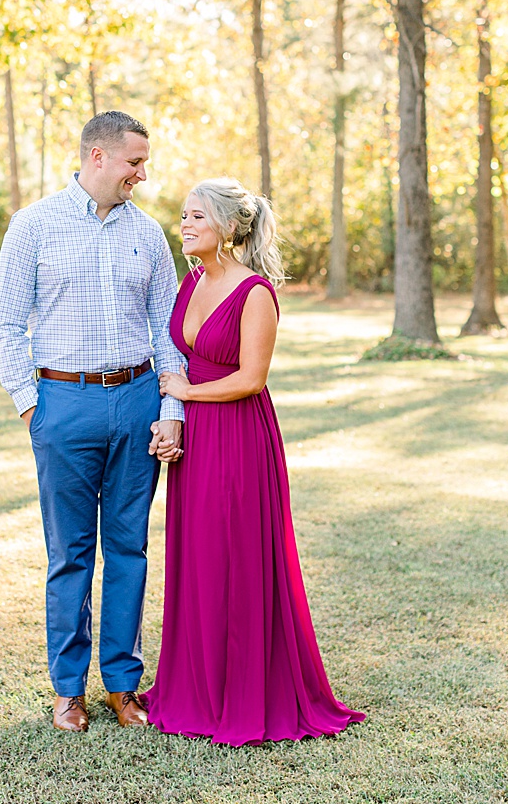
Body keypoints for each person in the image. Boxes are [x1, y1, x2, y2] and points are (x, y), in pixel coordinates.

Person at [147, 179, 365, 745]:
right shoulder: (191, 280)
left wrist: (186, 394)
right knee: (197, 556)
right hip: (195, 445)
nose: (185, 225)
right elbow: (177, 356)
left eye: (196, 217)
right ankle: (196, 683)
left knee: (236, 557)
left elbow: (250, 379)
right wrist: (174, 412)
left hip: (239, 439)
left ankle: (246, 691)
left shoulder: (256, 293)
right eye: (184, 216)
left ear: (226, 227)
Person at [0, 109, 186, 733]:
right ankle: (68, 689)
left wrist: (171, 409)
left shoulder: (150, 234)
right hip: (62, 404)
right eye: (134, 162)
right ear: (97, 156)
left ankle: (123, 686)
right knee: (69, 553)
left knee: (129, 547)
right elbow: (6, 323)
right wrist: (30, 405)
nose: (142, 174)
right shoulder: (33, 226)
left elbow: (169, 331)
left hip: (135, 400)